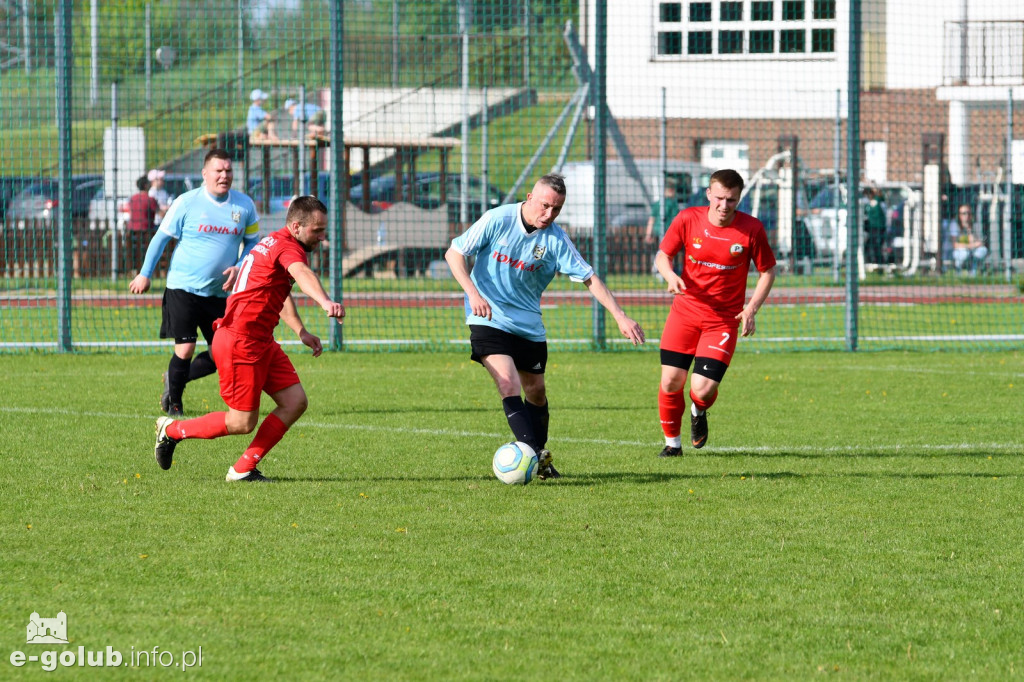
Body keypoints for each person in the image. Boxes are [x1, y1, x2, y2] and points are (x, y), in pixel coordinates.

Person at [445, 173, 646, 479]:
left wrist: (620, 315)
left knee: (536, 392)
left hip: (528, 326)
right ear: (529, 197)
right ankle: (535, 457)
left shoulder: (555, 239)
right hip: (487, 318)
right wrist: (473, 293)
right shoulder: (497, 219)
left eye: (556, 209)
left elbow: (589, 278)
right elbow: (454, 252)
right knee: (508, 383)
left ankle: (538, 459)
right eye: (544, 205)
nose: (548, 214)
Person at [153, 196, 345, 482]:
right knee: (241, 421)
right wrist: (324, 301)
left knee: (295, 401)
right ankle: (171, 430)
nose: (322, 236)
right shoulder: (287, 248)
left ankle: (243, 468)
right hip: (240, 341)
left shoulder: (273, 242)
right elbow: (301, 274)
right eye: (317, 230)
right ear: (296, 226)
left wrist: (300, 331)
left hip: (260, 340)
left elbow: (281, 290)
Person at [129, 148, 261, 418]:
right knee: (186, 347)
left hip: (219, 293)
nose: (224, 175)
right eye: (218, 171)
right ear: (205, 174)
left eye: (228, 171)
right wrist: (145, 273)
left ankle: (174, 378)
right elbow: (160, 239)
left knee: (222, 353)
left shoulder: (244, 205)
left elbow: (253, 243)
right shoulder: (187, 202)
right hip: (183, 288)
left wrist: (240, 265)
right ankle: (175, 405)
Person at [654, 169, 776, 456]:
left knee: (703, 389)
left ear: (739, 198)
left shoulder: (752, 229)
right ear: (709, 194)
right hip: (684, 313)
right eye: (719, 198)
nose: (724, 206)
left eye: (731, 200)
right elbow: (663, 255)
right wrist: (670, 276)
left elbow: (767, 270)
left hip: (722, 320)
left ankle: (698, 409)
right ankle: (672, 445)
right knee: (671, 380)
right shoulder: (687, 219)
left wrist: (751, 309)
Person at [125, 175, 164, 276]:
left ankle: (134, 271)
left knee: (136, 251)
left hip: (132, 231)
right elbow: (161, 214)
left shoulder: (132, 199)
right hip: (147, 231)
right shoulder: (150, 199)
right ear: (146, 185)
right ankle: (158, 271)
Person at [645, 184, 681, 275]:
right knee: (668, 253)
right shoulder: (673, 204)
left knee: (659, 251)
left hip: (657, 232)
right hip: (668, 232)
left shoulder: (658, 203)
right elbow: (675, 219)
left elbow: (651, 219)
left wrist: (648, 234)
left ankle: (657, 269)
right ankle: (661, 270)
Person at [951, 203, 988, 275]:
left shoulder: (976, 225)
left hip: (973, 252)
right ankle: (958, 271)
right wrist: (971, 246)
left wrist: (969, 229)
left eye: (968, 213)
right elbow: (955, 245)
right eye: (963, 213)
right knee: (965, 253)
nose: (966, 216)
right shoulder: (955, 225)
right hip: (960, 251)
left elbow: (981, 243)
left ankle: (972, 273)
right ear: (959, 215)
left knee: (983, 250)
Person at [862, 187, 887, 264]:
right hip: (871, 229)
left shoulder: (879, 201)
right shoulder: (867, 205)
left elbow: (882, 197)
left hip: (879, 228)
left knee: (877, 246)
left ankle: (880, 264)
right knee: (868, 246)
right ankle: (870, 262)